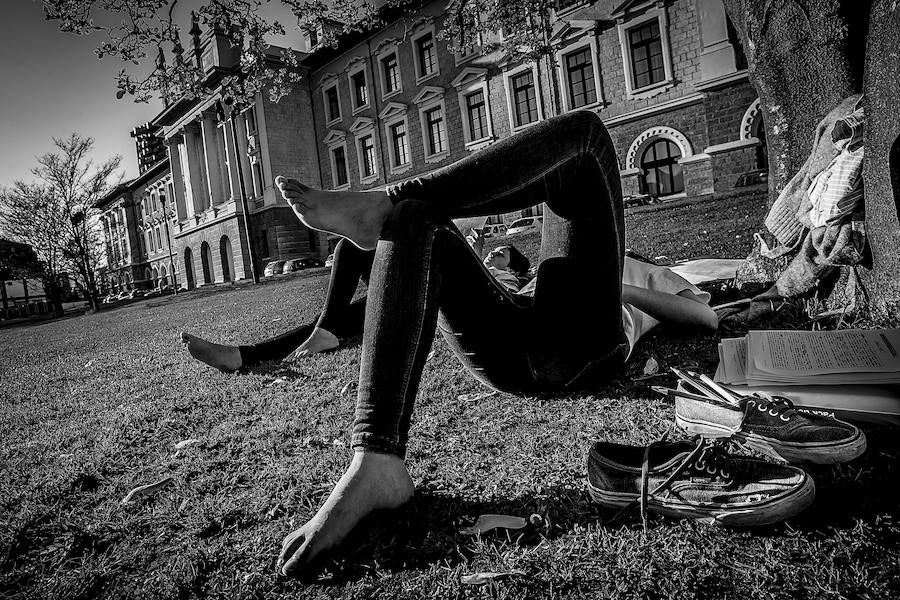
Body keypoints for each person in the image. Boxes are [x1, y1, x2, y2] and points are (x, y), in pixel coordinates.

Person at [235, 111, 718, 578]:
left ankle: (382, 202)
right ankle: (376, 460)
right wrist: (518, 273)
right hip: (513, 345)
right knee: (413, 218)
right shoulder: (568, 253)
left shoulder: (654, 272)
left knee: (588, 138)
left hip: (584, 345)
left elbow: (705, 316)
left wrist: (614, 285)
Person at [179, 235, 532, 370]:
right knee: (339, 305)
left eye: (502, 254)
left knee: (349, 252)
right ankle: (244, 355)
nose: (494, 254)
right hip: (426, 298)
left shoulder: (507, 282)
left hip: (436, 302)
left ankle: (314, 334)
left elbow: (502, 298)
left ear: (511, 269)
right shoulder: (487, 270)